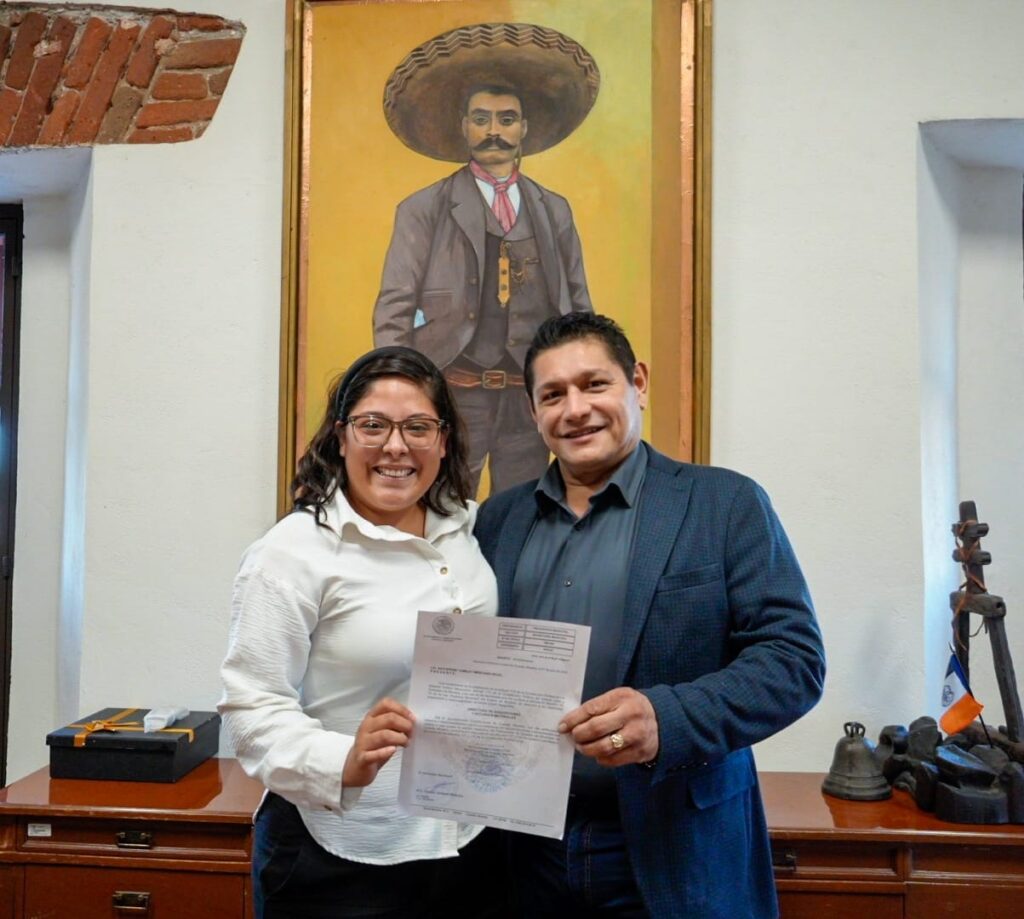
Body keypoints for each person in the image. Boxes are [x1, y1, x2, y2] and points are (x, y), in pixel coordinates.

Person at [474, 314, 827, 918]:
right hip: (523, 852)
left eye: (594, 384)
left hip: (677, 847)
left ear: (637, 382)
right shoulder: (497, 520)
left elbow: (793, 662)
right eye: (553, 395)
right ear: (533, 412)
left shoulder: (725, 503)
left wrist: (667, 718)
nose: (575, 409)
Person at [219, 346, 503, 918]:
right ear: (341, 437)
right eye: (373, 425)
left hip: (467, 843)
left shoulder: (466, 529)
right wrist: (343, 759)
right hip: (341, 855)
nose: (396, 446)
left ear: (443, 441)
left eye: (417, 427)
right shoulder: (291, 553)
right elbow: (252, 708)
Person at [374, 22, 599, 495]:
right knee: (444, 506)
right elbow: (394, 308)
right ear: (464, 127)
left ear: (524, 129)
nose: (494, 131)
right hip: (452, 394)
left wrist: (579, 386)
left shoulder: (554, 210)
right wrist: (400, 392)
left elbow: (579, 307)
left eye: (506, 119)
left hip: (529, 398)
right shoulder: (423, 209)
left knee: (524, 510)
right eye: (481, 119)